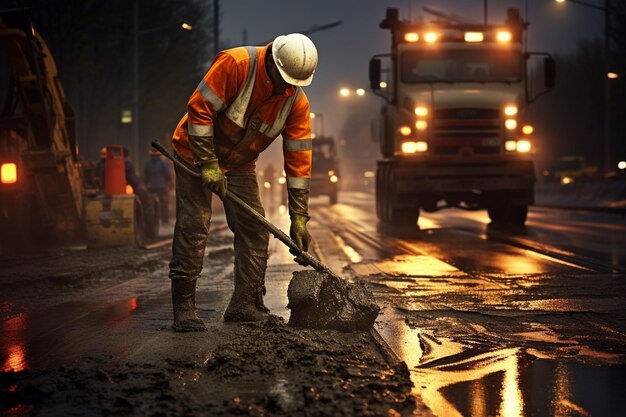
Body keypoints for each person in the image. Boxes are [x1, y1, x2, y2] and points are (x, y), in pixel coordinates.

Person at [169, 33, 318, 331]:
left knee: (254, 227)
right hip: (193, 153)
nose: (289, 87)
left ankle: (244, 304)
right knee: (195, 223)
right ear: (274, 64)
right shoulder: (236, 64)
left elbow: (298, 163)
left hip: (238, 163)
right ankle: (184, 308)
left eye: (295, 84)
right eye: (285, 79)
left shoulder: (295, 103)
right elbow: (199, 111)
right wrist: (208, 164)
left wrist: (299, 217)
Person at [144, 149, 172, 224]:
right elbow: (167, 174)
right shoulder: (163, 163)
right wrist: (169, 183)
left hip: (151, 186)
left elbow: (145, 176)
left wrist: (147, 185)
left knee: (152, 204)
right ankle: (165, 220)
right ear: (159, 155)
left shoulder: (147, 163)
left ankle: (152, 221)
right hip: (162, 186)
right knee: (164, 203)